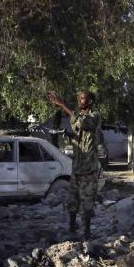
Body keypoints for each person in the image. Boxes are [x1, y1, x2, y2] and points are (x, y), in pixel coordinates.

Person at [49, 90, 101, 240]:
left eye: (83, 98)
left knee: (87, 203)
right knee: (72, 201)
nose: (80, 100)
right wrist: (69, 135)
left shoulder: (94, 115)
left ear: (90, 101)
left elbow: (83, 123)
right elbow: (77, 131)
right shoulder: (78, 115)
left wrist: (62, 104)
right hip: (77, 168)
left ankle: (87, 232)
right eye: (79, 98)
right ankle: (72, 229)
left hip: (88, 170)